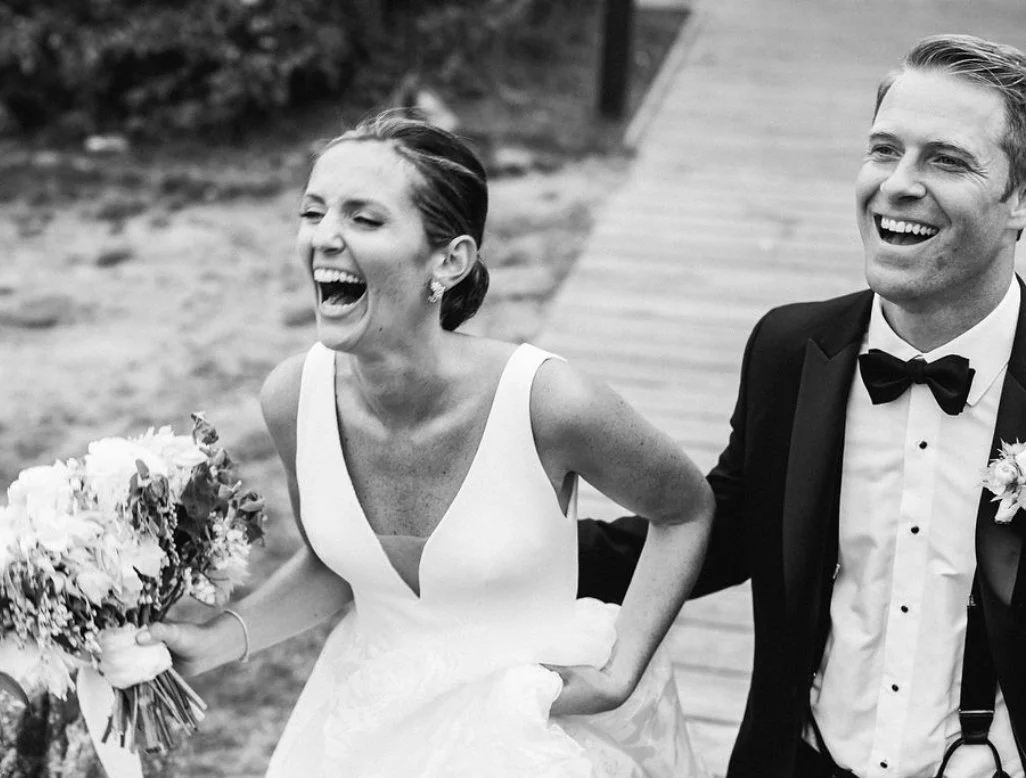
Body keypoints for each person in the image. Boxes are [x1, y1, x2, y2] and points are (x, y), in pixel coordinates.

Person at [104, 112, 715, 776]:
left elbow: (685, 510)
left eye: (364, 219)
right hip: (367, 732)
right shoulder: (294, 397)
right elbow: (335, 565)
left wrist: (621, 671)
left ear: (449, 261)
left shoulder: (547, 401)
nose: (324, 238)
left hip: (525, 732)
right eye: (313, 213)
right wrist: (219, 640)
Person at [578, 33, 1026, 778]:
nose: (898, 184)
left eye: (946, 161)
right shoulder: (791, 351)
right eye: (884, 150)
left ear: (1020, 200)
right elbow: (725, 529)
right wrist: (504, 552)